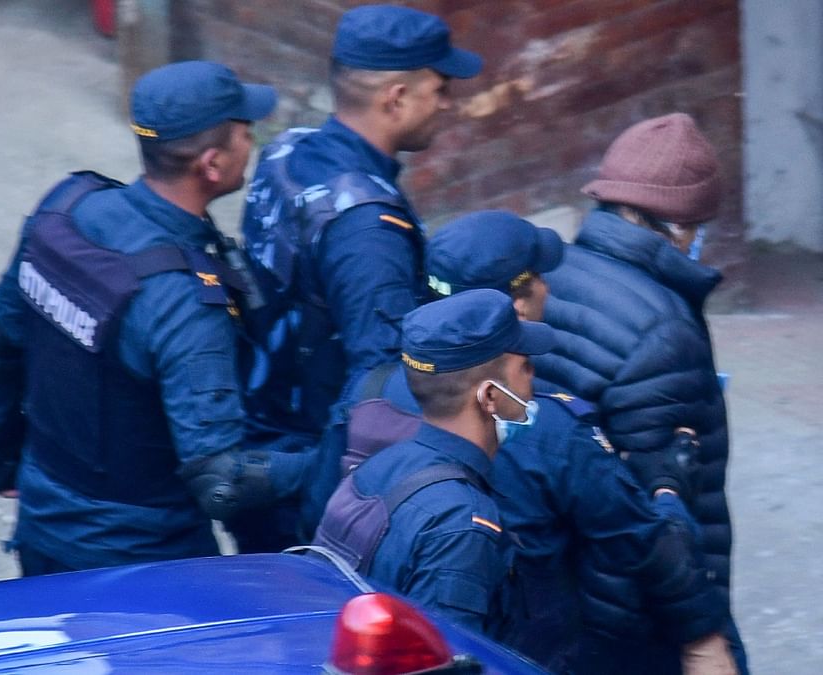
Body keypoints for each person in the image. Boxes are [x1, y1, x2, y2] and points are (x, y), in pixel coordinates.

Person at [0, 60, 314, 574]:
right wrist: (332, 463)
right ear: (212, 164)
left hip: (43, 527)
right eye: (245, 134)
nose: (251, 144)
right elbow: (221, 479)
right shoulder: (186, 302)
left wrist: (6, 457)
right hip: (145, 567)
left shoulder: (67, 207)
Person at [422, 210, 735, 674]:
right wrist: (668, 481)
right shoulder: (545, 426)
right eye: (541, 277)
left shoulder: (383, 391)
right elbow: (641, 536)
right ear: (518, 306)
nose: (552, 286)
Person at [238, 5, 482, 544]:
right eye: (440, 87)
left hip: (258, 432)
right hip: (305, 479)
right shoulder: (368, 227)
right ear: (395, 98)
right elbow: (377, 391)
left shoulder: (286, 149)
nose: (448, 102)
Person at [533, 113, 748, 671]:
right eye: (698, 227)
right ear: (677, 229)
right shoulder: (665, 332)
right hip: (637, 616)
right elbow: (659, 508)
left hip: (559, 589)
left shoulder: (549, 275)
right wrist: (702, 633)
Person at [313, 289, 552, 635]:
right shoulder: (461, 525)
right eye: (525, 367)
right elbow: (448, 659)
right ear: (490, 397)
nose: (533, 379)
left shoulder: (374, 469)